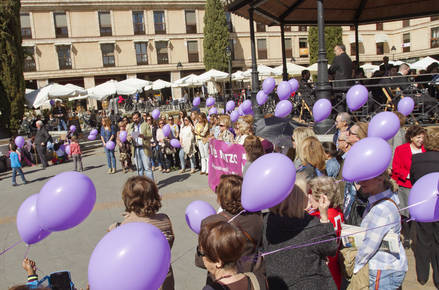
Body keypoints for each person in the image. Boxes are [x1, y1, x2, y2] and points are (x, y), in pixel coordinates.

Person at [262, 173, 338, 289]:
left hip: (279, 284)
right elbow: (331, 247)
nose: (309, 197)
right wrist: (324, 216)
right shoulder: (311, 225)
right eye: (307, 193)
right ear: (298, 198)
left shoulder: (268, 221)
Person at [109, 176, 174, 290]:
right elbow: (170, 242)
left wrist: (116, 226)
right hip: (164, 277)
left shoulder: (126, 225)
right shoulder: (165, 219)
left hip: (141, 280)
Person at [196, 175, 263, 275]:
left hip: (223, 278)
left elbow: (201, 261)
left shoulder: (211, 222)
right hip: (251, 274)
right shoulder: (258, 216)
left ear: (221, 196)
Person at [353, 172, 408, 289]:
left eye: (366, 179)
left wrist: (355, 266)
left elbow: (370, 245)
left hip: (383, 268)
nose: (360, 182)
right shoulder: (385, 198)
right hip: (388, 268)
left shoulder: (381, 208)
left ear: (380, 178)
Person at [198, 220, 267, 290]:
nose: (201, 258)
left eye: (202, 253)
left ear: (218, 261)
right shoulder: (259, 280)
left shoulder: (211, 289)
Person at [410, 127, 439, 288]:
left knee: (422, 241)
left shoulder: (417, 159)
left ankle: (422, 275)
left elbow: (415, 180)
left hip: (422, 204)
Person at [391, 125, 426, 246]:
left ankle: (421, 236)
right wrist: (407, 175)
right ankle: (406, 236)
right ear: (411, 137)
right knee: (406, 213)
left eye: (422, 137)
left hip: (421, 185)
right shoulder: (401, 149)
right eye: (418, 137)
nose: (421, 140)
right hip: (406, 185)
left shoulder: (425, 149)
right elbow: (396, 167)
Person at [308, 176, 344, 289]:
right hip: (335, 267)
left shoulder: (320, 218)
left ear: (322, 198)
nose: (308, 197)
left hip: (324, 270)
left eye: (311, 194)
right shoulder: (337, 212)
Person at [127, 112, 154, 180]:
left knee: (147, 168)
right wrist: (129, 138)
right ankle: (141, 185)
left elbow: (150, 136)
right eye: (134, 118)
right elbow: (127, 136)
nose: (135, 119)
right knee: (139, 168)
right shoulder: (131, 126)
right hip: (135, 149)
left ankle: (151, 185)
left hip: (144, 148)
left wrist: (144, 136)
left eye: (136, 118)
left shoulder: (145, 125)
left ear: (139, 117)